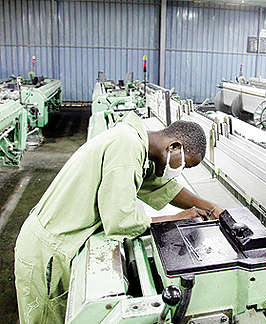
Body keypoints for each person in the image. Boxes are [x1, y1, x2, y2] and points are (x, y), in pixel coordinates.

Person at [14, 111, 223, 324]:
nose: (178, 172)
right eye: (184, 165)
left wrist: (212, 207)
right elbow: (119, 220)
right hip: (48, 250)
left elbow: (163, 188)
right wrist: (174, 218)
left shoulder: (138, 148)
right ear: (174, 147)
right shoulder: (126, 147)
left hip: (54, 243)